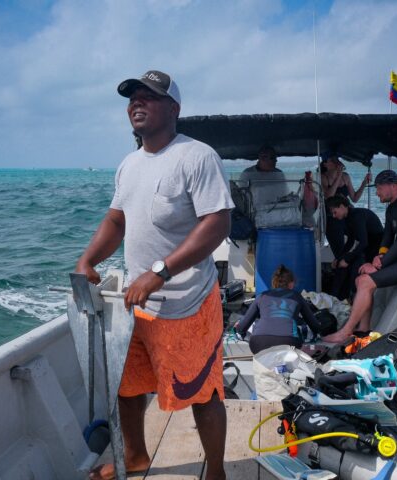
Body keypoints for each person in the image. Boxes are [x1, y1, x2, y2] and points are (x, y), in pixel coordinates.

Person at [75, 69, 233, 480]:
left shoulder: (197, 156)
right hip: (137, 302)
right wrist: (87, 260)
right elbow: (116, 220)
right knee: (127, 387)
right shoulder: (129, 165)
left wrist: (159, 272)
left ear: (174, 108)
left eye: (149, 96)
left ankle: (216, 472)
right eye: (132, 98)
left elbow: (217, 223)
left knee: (204, 392)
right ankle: (136, 458)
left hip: (187, 304)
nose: (137, 103)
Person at [323, 169, 397, 343]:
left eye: (379, 188)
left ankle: (345, 332)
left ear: (393, 186)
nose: (377, 193)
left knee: (365, 282)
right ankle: (363, 330)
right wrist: (379, 255)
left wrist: (379, 263)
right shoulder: (391, 209)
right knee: (361, 279)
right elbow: (387, 238)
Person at [235, 265, 319, 354]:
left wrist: (238, 329)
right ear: (291, 284)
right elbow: (314, 325)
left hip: (258, 343)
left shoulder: (262, 296)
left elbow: (242, 327)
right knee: (297, 332)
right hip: (289, 343)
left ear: (274, 283)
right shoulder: (297, 296)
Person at [324, 196, 384, 302]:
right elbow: (350, 241)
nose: (333, 216)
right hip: (368, 247)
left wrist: (347, 260)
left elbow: (364, 242)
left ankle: (353, 298)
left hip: (376, 248)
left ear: (342, 207)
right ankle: (337, 297)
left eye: (335, 212)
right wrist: (339, 258)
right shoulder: (347, 218)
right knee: (341, 265)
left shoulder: (357, 216)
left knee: (355, 266)